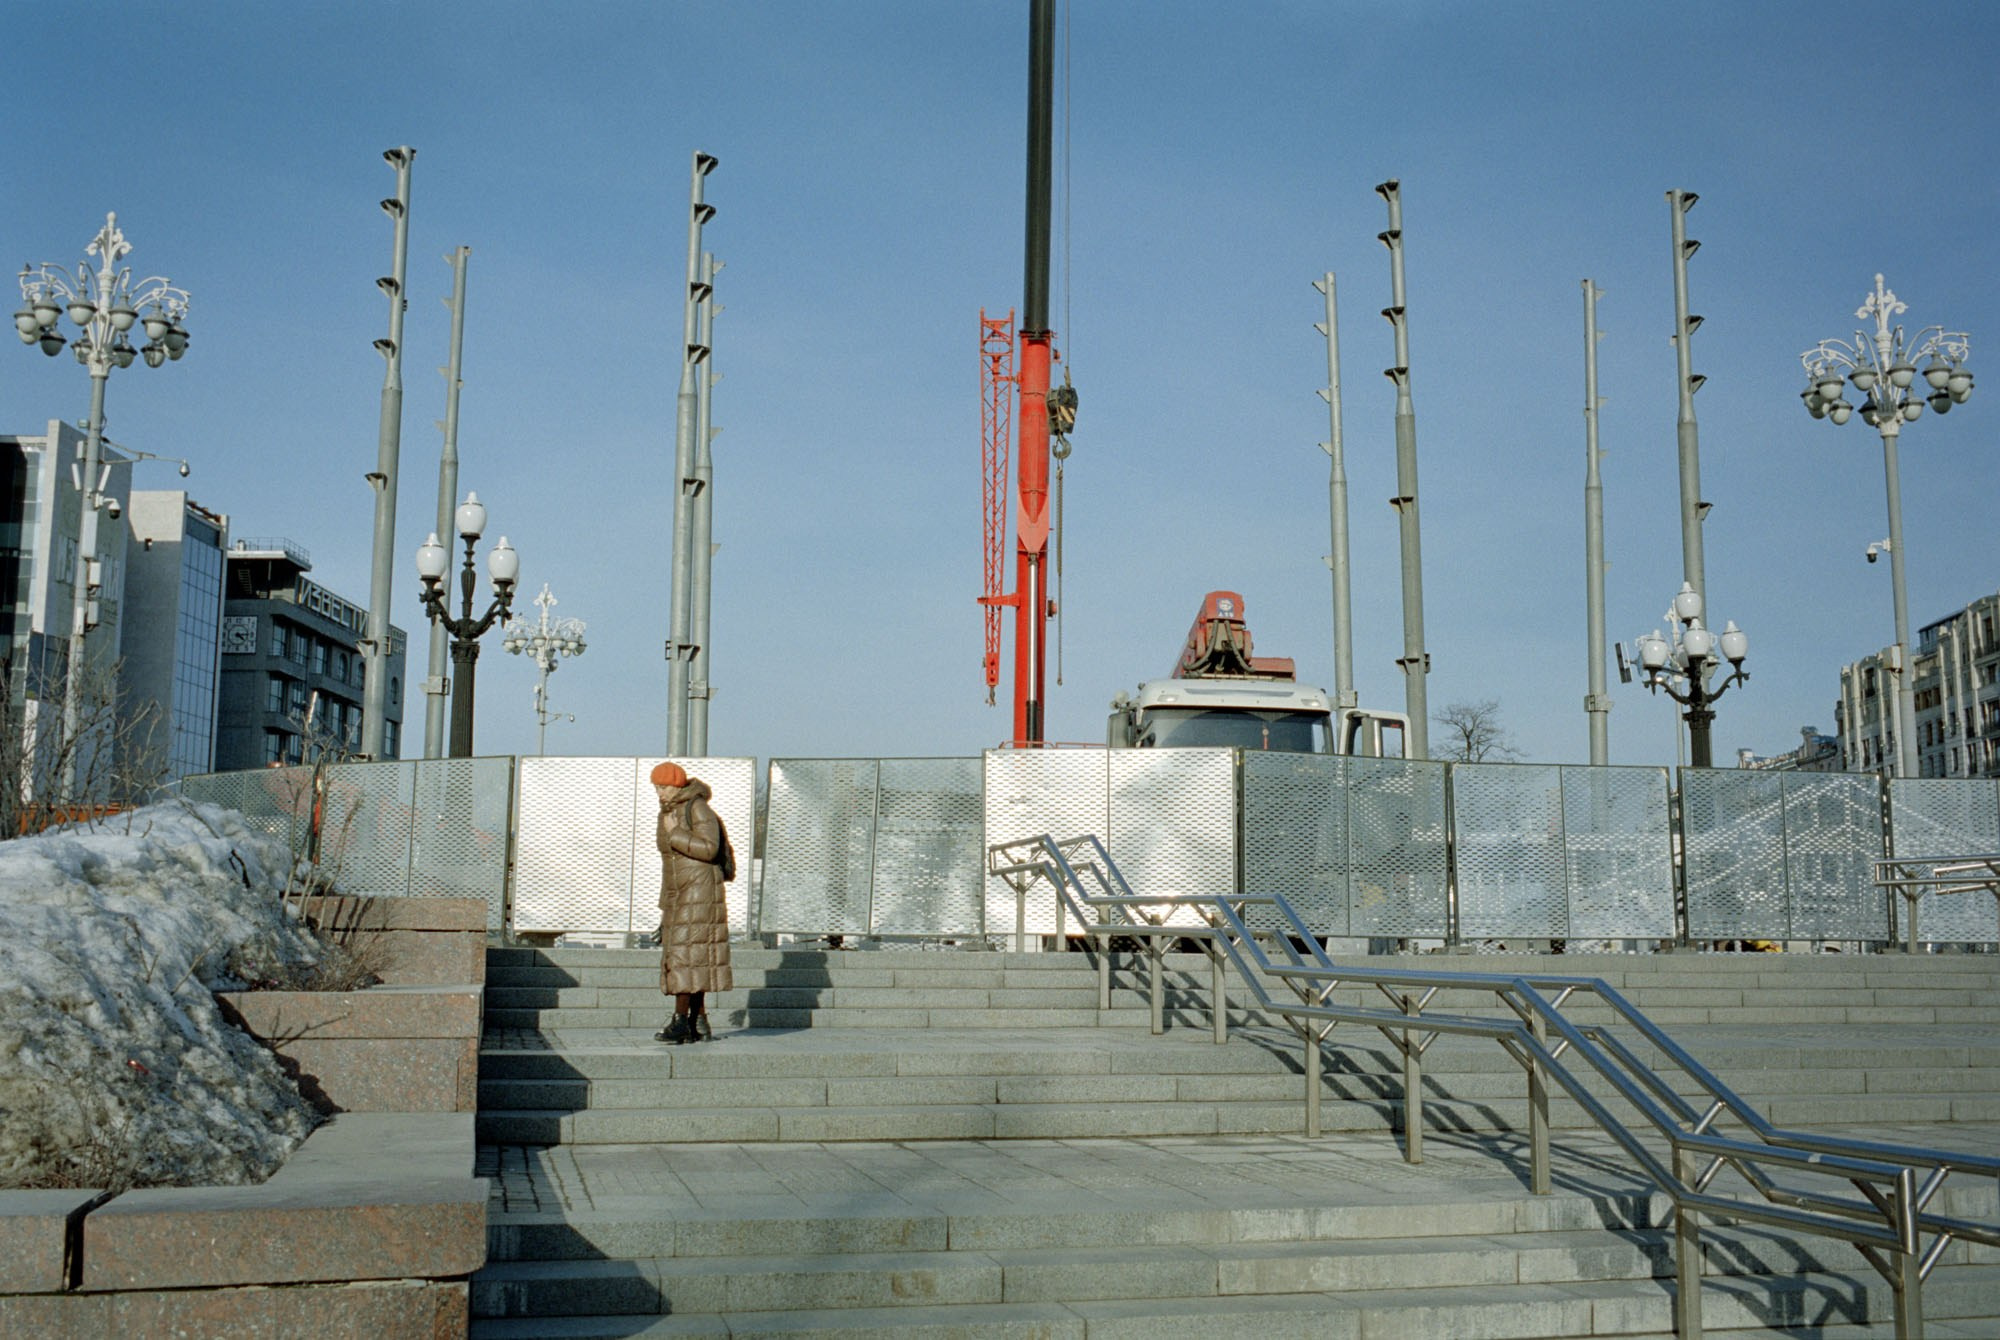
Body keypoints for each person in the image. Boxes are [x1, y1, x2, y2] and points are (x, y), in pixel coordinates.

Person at [649, 761, 732, 1044]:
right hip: (680, 892)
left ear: (677, 785)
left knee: (685, 957)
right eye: (657, 788)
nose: (660, 793)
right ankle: (698, 1021)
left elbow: (710, 849)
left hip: (699, 890)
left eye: (664, 787)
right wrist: (665, 906)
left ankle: (681, 1021)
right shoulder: (670, 811)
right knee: (693, 956)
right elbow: (669, 864)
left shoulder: (696, 808)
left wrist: (676, 834)